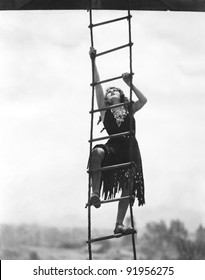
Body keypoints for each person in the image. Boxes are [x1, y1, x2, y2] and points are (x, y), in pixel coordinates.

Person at [89, 47, 147, 234]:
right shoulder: (104, 111)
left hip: (130, 148)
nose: (112, 90)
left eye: (116, 89)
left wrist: (129, 84)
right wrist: (93, 61)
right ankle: (95, 194)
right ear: (106, 98)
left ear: (121, 95)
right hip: (113, 147)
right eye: (109, 91)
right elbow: (97, 85)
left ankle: (119, 225)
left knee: (128, 185)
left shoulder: (130, 108)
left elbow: (144, 100)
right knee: (97, 152)